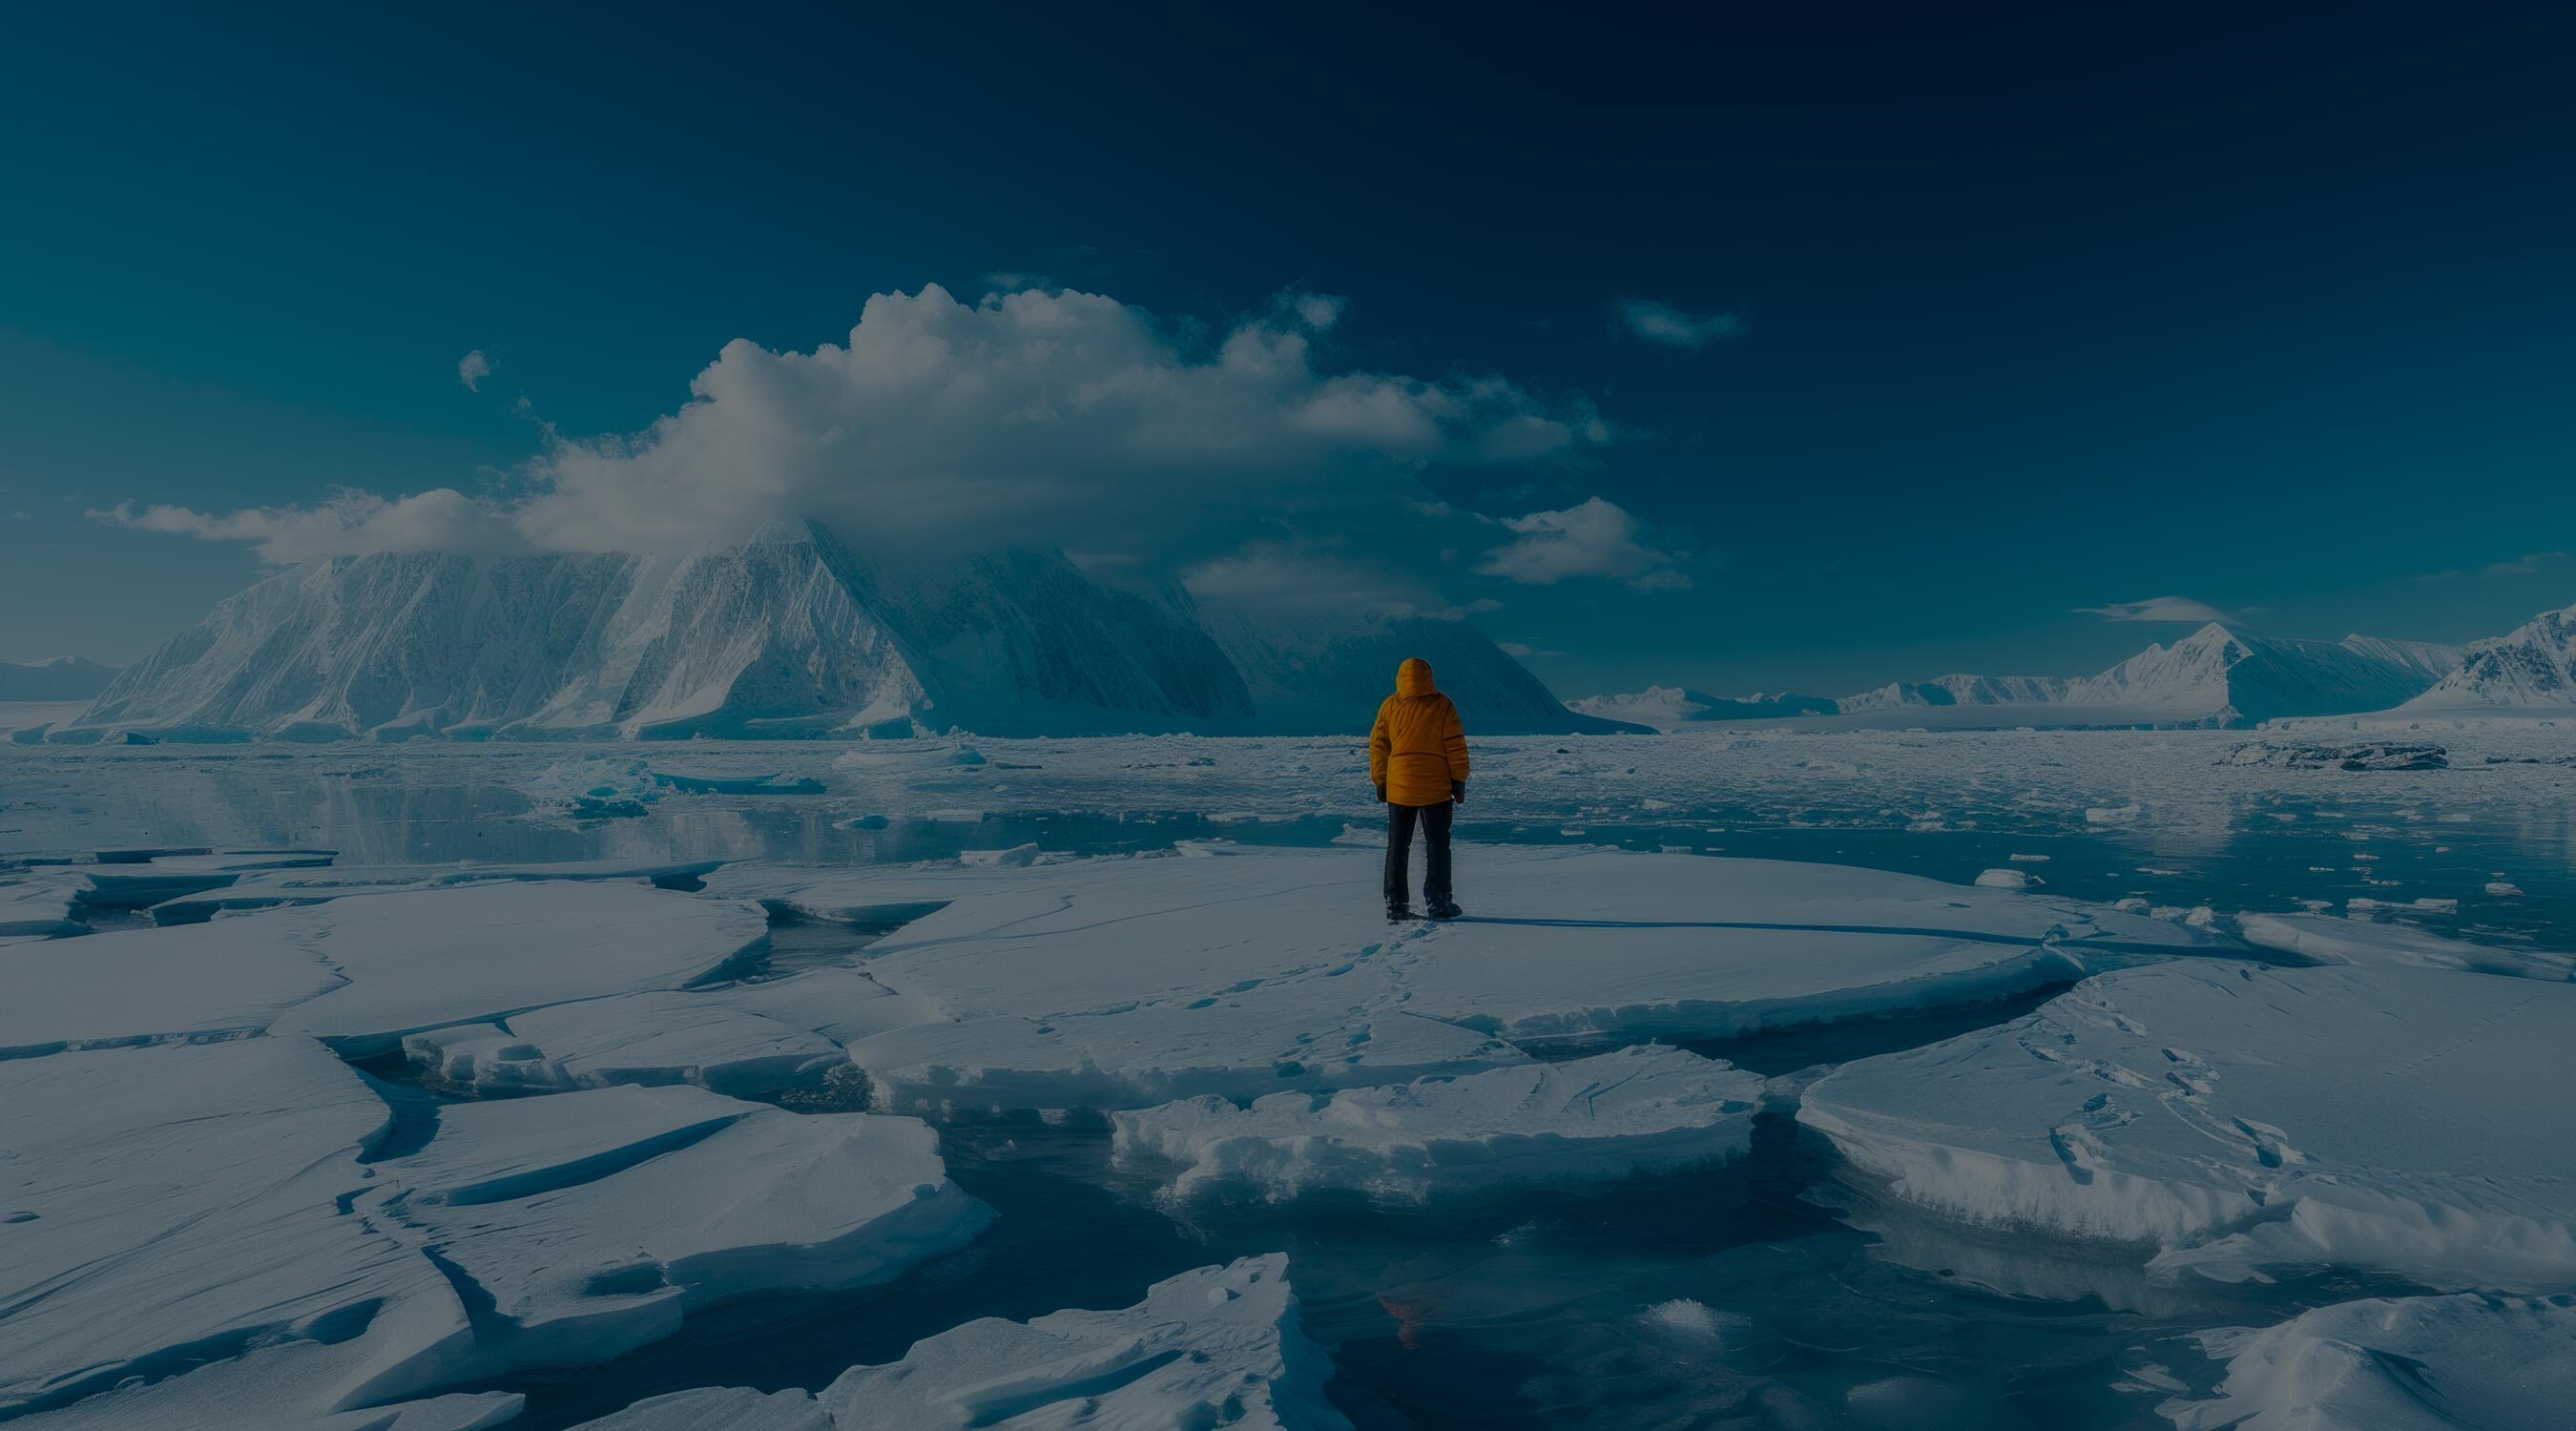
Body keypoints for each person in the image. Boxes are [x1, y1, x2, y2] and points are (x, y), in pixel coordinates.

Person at [1368, 656, 1468, 921]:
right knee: (1437, 843)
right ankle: (1438, 900)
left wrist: (1381, 779)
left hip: (1399, 786)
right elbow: (1455, 745)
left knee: (1398, 845)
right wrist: (1459, 779)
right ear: (1429, 677)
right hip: (1435, 786)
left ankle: (1395, 902)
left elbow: (1378, 744)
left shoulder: (1390, 706)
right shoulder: (1443, 705)